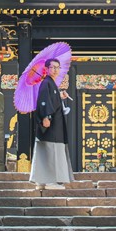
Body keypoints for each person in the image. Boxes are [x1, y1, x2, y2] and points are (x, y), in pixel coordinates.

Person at [29, 58, 74, 190]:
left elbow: (51, 100)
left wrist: (59, 97)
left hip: (54, 124)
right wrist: (46, 117)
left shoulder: (51, 84)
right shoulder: (46, 83)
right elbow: (44, 101)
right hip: (51, 124)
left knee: (46, 150)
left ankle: (41, 181)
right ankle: (51, 181)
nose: (55, 70)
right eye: (52, 67)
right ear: (47, 69)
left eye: (57, 67)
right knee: (51, 150)